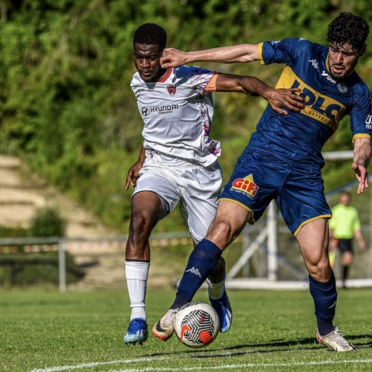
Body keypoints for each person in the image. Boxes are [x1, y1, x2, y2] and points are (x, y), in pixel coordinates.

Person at [156, 12, 372, 352]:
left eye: (348, 52)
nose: (339, 58)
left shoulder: (358, 92)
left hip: (303, 174)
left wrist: (361, 160)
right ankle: (177, 305)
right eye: (335, 49)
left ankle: (326, 329)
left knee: (318, 261)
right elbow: (246, 52)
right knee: (222, 230)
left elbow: (362, 139)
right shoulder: (302, 51)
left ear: (359, 52)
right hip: (261, 159)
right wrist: (188, 57)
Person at [122, 23, 304, 346]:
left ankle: (217, 292)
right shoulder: (137, 83)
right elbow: (152, 127)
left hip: (198, 172)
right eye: (138, 58)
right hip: (159, 168)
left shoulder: (187, 77)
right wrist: (140, 161)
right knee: (139, 221)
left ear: (163, 55)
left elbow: (239, 82)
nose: (144, 65)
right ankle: (137, 316)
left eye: (150, 58)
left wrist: (268, 92)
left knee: (209, 257)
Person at [328, 192, 367, 288]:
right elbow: (331, 226)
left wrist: (361, 241)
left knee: (347, 260)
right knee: (332, 260)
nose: (345, 200)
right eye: (343, 198)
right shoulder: (336, 210)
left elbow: (356, 228)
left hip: (348, 238)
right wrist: (332, 239)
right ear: (340, 199)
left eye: (347, 198)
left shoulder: (353, 211)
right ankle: (327, 282)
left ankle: (343, 281)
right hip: (337, 238)